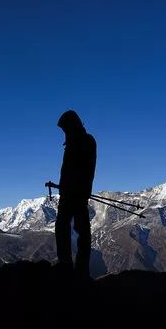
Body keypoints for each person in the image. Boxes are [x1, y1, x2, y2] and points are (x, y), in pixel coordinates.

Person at [53, 110, 97, 278]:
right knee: (79, 229)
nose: (64, 132)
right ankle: (79, 269)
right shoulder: (83, 141)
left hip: (74, 193)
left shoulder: (81, 142)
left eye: (65, 129)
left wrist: (73, 188)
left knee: (66, 227)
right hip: (76, 192)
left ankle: (69, 266)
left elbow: (81, 170)